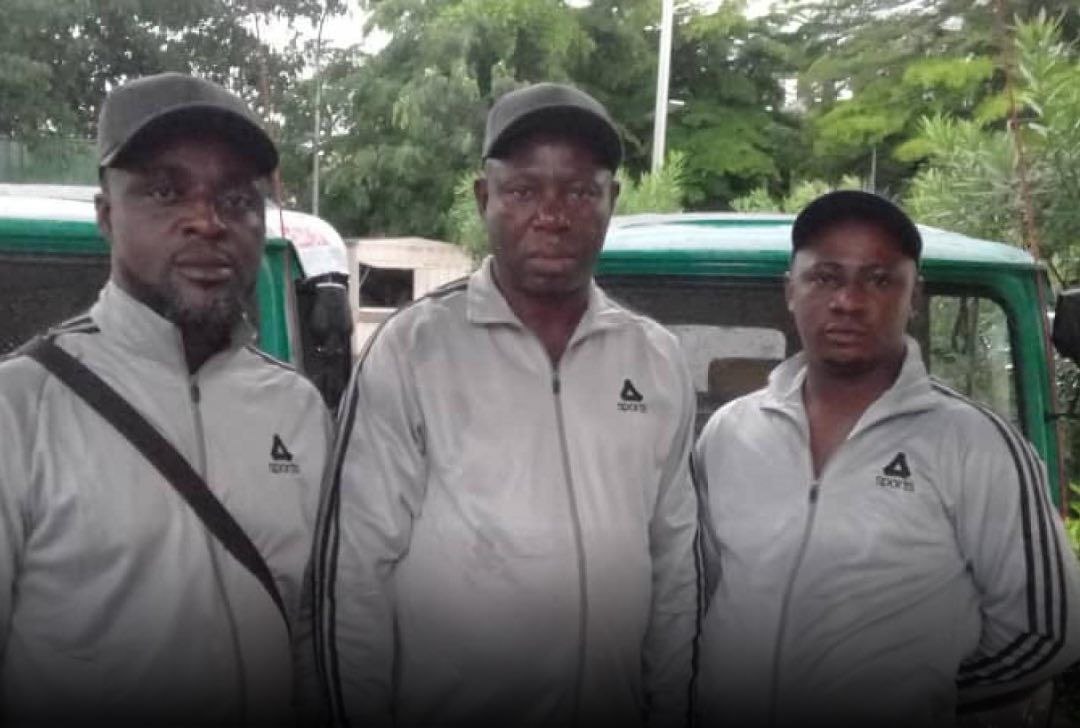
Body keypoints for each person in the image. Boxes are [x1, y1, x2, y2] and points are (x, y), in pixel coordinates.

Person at [309, 82, 699, 728]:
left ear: (612, 202)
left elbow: (676, 575)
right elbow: (352, 579)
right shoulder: (412, 351)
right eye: (523, 191)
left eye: (580, 191)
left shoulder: (655, 361)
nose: (553, 214)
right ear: (483, 197)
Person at [0, 73, 331, 725]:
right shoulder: (20, 410)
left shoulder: (297, 409)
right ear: (106, 214)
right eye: (165, 191)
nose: (207, 221)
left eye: (237, 198)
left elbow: (311, 636)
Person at [693, 189, 1080, 728]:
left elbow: (1047, 630)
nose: (848, 301)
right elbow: (701, 597)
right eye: (825, 278)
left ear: (914, 295)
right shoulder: (728, 433)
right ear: (790, 290)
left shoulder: (975, 444)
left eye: (878, 280)